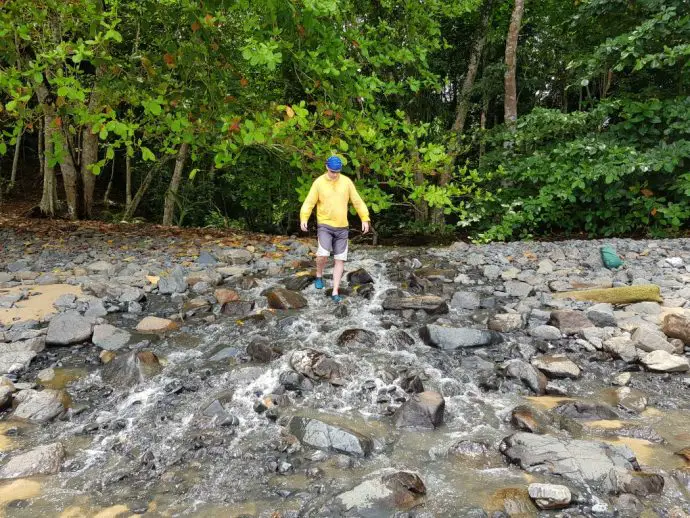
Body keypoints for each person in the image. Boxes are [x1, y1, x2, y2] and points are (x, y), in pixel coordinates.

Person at [300, 155, 370, 302]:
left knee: (340, 259)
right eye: (332, 171)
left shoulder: (346, 182)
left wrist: (364, 218)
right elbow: (309, 202)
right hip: (325, 225)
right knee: (323, 254)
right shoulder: (318, 183)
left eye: (337, 172)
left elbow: (357, 201)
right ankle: (319, 274)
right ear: (327, 167)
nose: (335, 175)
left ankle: (335, 291)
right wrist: (304, 218)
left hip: (342, 228)